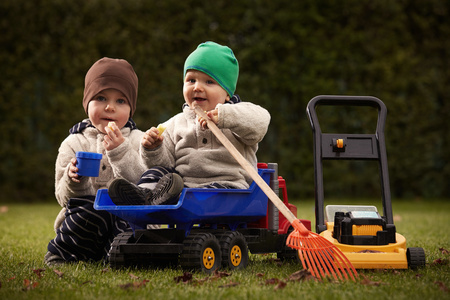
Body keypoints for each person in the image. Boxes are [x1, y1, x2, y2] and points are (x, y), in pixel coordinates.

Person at [108, 41, 271, 206]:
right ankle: (144, 196)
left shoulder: (237, 115)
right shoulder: (176, 123)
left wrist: (223, 116)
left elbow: (260, 121)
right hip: (183, 190)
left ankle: (159, 200)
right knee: (157, 172)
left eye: (209, 82)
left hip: (228, 189)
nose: (197, 87)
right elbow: (165, 165)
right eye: (191, 80)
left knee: (211, 195)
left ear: (227, 93)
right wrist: (154, 150)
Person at [44, 57, 148, 266]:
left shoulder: (138, 140)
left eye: (121, 101)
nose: (110, 107)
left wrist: (120, 151)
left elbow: (145, 188)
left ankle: (118, 257)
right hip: (86, 224)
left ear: (131, 108)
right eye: (101, 98)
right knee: (87, 212)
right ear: (87, 102)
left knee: (130, 222)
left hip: (125, 217)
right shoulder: (74, 142)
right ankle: (61, 255)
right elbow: (63, 197)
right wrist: (74, 179)